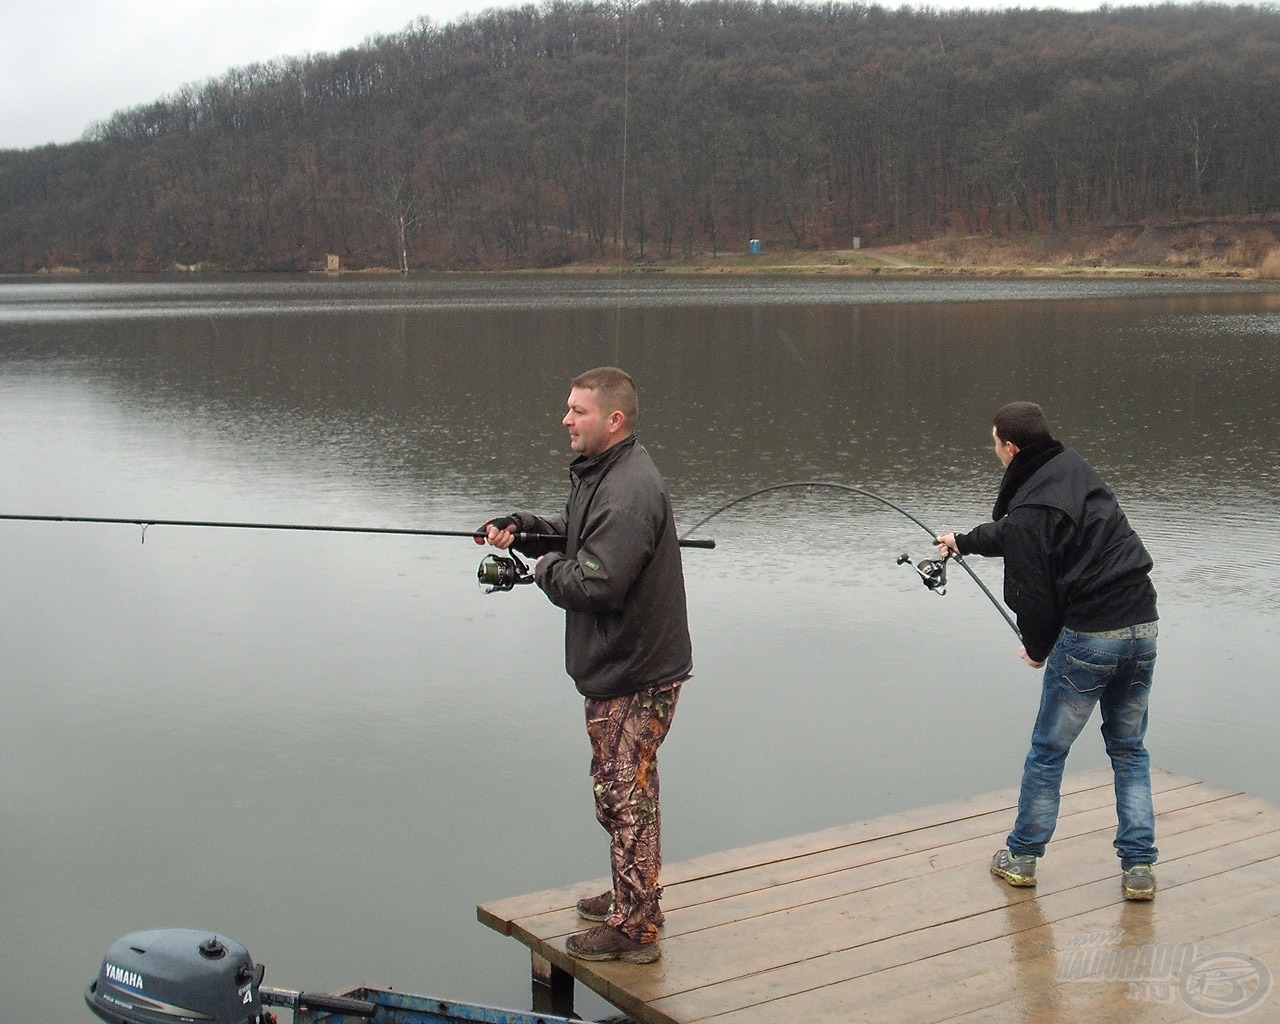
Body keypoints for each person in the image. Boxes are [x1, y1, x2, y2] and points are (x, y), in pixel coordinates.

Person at [481, 367, 692, 963]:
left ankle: (636, 928)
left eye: (578, 411)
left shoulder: (628, 490)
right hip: (623, 663)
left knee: (624, 793)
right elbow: (578, 538)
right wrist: (526, 531)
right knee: (622, 790)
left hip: (635, 671)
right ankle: (634, 892)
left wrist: (539, 570)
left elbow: (595, 581)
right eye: (568, 408)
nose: (566, 419)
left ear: (614, 420)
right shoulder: (603, 474)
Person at [936, 402, 1159, 900]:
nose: (994, 452)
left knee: (1047, 752)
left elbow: (1033, 591)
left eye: (994, 444)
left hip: (1089, 637)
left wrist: (1037, 649)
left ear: (1010, 447)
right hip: (1142, 624)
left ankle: (1021, 857)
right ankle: (1139, 867)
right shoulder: (1071, 468)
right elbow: (1025, 533)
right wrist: (964, 541)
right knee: (1129, 750)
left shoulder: (1034, 501)